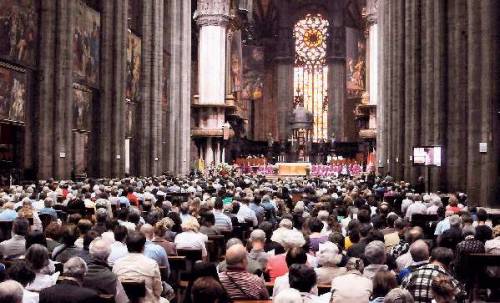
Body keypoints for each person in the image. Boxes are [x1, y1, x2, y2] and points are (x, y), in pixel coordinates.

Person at [113, 231, 166, 303]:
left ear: (126, 246)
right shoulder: (152, 264)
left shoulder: (117, 264)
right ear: (144, 247)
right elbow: (158, 291)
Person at [83, 239, 128, 303]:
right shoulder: (112, 277)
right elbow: (123, 301)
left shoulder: (80, 274)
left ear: (90, 253)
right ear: (108, 255)